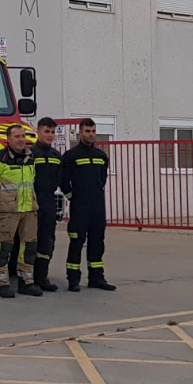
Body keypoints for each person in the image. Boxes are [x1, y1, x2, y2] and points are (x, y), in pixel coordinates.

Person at [0, 123, 41, 297]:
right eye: (17, 137)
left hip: (29, 209)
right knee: (4, 247)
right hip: (8, 210)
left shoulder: (31, 157)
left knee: (29, 247)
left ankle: (26, 281)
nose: (21, 140)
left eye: (23, 136)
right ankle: (2, 283)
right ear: (8, 139)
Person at [62, 118, 116, 292]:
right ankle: (73, 279)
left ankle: (96, 278)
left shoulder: (101, 156)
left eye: (93, 131)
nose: (91, 134)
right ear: (80, 132)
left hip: (97, 207)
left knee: (97, 242)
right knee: (77, 242)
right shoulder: (71, 156)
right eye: (87, 131)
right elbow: (63, 181)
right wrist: (73, 198)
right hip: (80, 207)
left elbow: (102, 179)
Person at [29, 117, 64, 293]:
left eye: (52, 132)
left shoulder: (57, 156)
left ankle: (42, 278)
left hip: (49, 202)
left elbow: (62, 180)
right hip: (32, 201)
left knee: (47, 241)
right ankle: (27, 279)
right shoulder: (30, 153)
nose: (50, 135)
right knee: (29, 241)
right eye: (46, 131)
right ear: (38, 131)